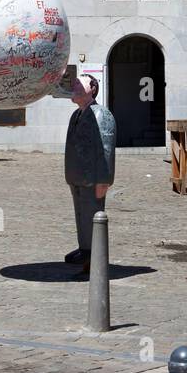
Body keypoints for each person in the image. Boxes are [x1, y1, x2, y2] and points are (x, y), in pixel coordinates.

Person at [64, 73, 116, 273]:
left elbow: (107, 149)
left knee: (92, 217)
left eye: (79, 84)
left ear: (92, 89)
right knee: (81, 217)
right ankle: (84, 248)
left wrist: (104, 180)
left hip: (93, 180)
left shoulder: (102, 115)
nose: (74, 87)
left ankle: (93, 260)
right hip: (77, 178)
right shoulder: (76, 115)